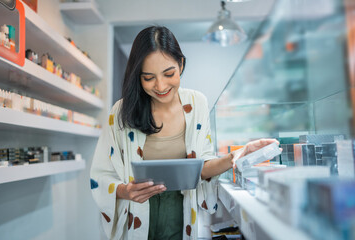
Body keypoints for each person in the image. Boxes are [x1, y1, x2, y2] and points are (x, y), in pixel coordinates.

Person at [90, 26, 278, 240]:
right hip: (136, 214)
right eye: (148, 78)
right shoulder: (121, 111)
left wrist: (235, 156)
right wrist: (125, 191)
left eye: (169, 73)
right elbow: (100, 174)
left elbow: (203, 167)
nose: (160, 86)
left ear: (181, 64)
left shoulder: (196, 103)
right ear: (137, 76)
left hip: (181, 211)